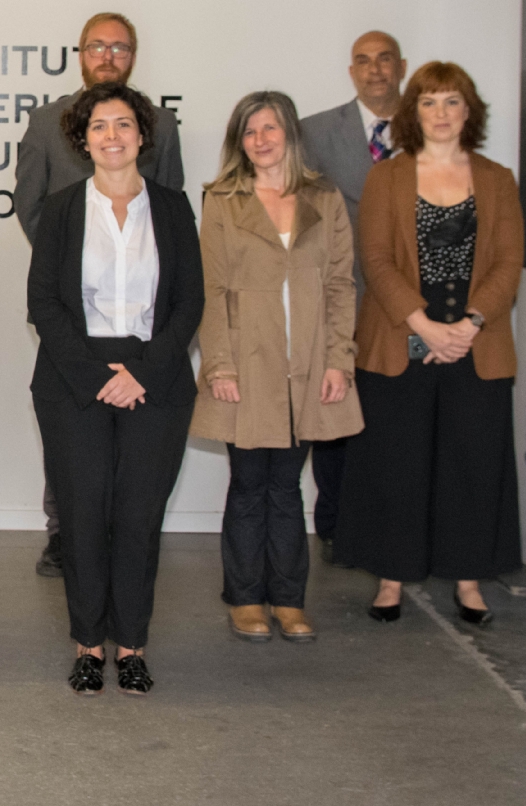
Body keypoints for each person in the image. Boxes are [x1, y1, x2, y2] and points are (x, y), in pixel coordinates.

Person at [27, 82, 203, 696]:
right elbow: (43, 304)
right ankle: (87, 646)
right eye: (99, 126)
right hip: (74, 380)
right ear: (83, 140)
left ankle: (131, 647)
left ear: (142, 134)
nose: (112, 136)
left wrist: (142, 374)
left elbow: (189, 303)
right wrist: (96, 377)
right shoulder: (61, 209)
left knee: (137, 517)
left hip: (156, 378)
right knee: (81, 517)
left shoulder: (173, 208)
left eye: (123, 124)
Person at [335, 62, 523, 626]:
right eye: (429, 102)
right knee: (398, 466)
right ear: (412, 112)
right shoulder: (386, 177)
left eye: (452, 101)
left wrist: (469, 324)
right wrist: (425, 325)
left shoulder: (497, 179)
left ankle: (468, 580)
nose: (441, 113)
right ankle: (391, 578)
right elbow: (375, 260)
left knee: (472, 466)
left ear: (470, 111)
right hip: (401, 338)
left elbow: (509, 262)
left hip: (476, 343)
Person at [14, 12, 185, 578]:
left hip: (139, 317)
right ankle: (63, 533)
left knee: (136, 452)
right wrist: (70, 258)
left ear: (133, 56)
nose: (108, 56)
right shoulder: (46, 121)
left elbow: (169, 206)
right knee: (71, 434)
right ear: (80, 53)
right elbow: (30, 204)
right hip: (73, 310)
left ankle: (124, 536)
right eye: (97, 46)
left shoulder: (160, 123)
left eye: (120, 47)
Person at [190, 92, 363, 644]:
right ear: (238, 142)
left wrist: (339, 360)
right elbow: (211, 289)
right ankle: (245, 599)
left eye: (269, 128)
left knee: (287, 486)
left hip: (308, 367)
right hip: (245, 365)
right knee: (249, 484)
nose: (260, 140)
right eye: (249, 131)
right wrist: (219, 365)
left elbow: (341, 286)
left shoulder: (325, 198)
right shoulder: (222, 200)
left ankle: (289, 599)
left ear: (290, 132)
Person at [300, 31, 406, 563]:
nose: (375, 69)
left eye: (384, 59)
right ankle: (336, 525)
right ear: (351, 71)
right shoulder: (314, 132)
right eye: (363, 61)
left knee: (397, 419)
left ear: (401, 67)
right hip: (339, 296)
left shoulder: (430, 126)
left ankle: (397, 522)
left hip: (409, 305)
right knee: (335, 413)